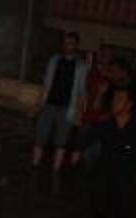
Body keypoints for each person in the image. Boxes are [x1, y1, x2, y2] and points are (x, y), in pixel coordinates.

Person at [82, 88, 136, 218]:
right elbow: (88, 137)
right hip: (105, 168)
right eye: (114, 100)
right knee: (100, 200)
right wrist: (78, 152)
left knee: (125, 205)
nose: (115, 103)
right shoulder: (105, 121)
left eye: (119, 100)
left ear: (129, 104)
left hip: (127, 172)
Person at [32, 32, 88, 172]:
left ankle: (56, 169)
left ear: (76, 45)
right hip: (49, 104)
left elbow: (81, 91)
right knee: (40, 135)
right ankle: (34, 165)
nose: (68, 45)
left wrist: (79, 113)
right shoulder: (54, 60)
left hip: (67, 108)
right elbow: (46, 84)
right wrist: (38, 104)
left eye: (71, 43)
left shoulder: (81, 66)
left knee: (61, 141)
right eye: (66, 42)